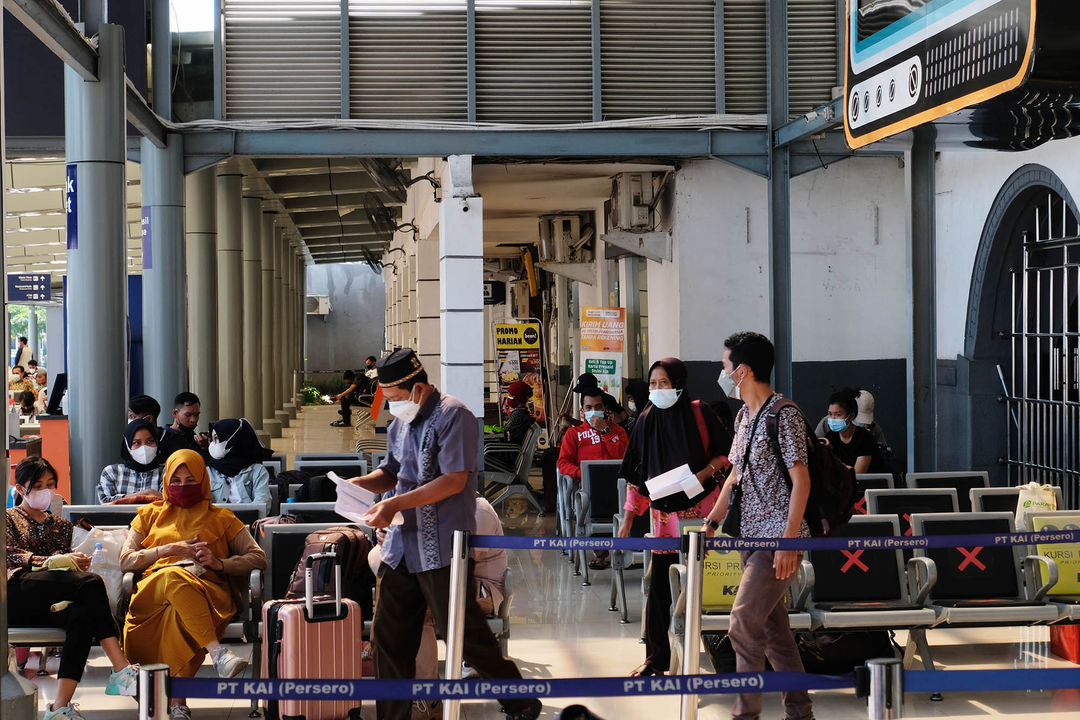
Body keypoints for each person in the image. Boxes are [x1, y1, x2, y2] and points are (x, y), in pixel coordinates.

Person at [344, 348, 541, 720]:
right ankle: (393, 716)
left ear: (418, 389)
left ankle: (520, 700)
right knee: (388, 638)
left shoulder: (456, 416)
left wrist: (395, 504)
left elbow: (454, 480)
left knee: (464, 634)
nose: (393, 407)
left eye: (397, 398)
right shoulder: (402, 421)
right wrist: (358, 485)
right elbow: (390, 471)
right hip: (402, 545)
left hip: (442, 546)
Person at [702, 331, 815, 720]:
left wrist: (788, 543)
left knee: (743, 622)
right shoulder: (744, 415)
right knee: (774, 634)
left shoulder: (785, 414)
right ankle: (800, 713)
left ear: (743, 370)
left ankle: (744, 713)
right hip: (748, 538)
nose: (723, 374)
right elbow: (735, 476)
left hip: (776, 540)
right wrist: (712, 522)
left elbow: (801, 479)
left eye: (725, 367)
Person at [121, 449, 267, 720]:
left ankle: (177, 703)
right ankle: (217, 654)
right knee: (173, 577)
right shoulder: (148, 515)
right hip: (152, 591)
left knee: (179, 611)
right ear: (166, 482)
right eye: (175, 481)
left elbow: (258, 557)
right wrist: (167, 550)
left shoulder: (222, 518)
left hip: (205, 591)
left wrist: (218, 563)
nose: (182, 487)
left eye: (191, 480)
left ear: (203, 480)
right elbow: (126, 561)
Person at [616, 357, 731, 676]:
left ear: (678, 384)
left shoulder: (699, 412)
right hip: (664, 517)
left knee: (707, 582)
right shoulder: (646, 418)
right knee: (661, 588)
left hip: (704, 510)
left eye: (663, 383)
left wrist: (703, 473)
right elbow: (636, 473)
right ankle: (656, 659)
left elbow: (727, 455)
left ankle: (726, 648)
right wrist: (627, 518)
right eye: (652, 384)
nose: (657, 389)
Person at [6, 457, 139, 719]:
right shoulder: (7, 518)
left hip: (50, 600)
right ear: (21, 489)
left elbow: (62, 571)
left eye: (51, 484)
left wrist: (73, 564)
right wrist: (49, 561)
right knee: (91, 583)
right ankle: (121, 667)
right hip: (17, 593)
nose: (46, 490)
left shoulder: (61, 526)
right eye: (39, 485)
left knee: (82, 616)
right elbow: (9, 556)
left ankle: (58, 708)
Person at [558, 387, 629, 570]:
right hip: (588, 488)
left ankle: (622, 549)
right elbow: (564, 463)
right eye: (588, 407)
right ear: (582, 411)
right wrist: (584, 474)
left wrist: (605, 431)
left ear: (605, 409)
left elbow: (624, 457)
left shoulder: (618, 432)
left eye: (597, 406)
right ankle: (601, 551)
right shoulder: (573, 434)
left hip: (617, 487)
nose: (593, 411)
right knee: (590, 502)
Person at [97, 419, 166, 504]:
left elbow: (168, 502)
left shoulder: (166, 472)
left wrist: (125, 499)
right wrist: (146, 494)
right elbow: (106, 503)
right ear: (127, 446)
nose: (144, 448)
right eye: (136, 443)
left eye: (150, 441)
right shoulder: (112, 473)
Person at [205, 418, 272, 505]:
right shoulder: (209, 472)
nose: (213, 444)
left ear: (232, 440)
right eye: (212, 439)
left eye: (217, 438)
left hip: (249, 518)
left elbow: (262, 502)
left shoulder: (257, 471)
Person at [819, 388, 876, 474]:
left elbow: (857, 476)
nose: (833, 418)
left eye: (838, 415)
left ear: (851, 416)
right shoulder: (830, 437)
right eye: (830, 414)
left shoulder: (865, 438)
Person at [503, 380, 536, 445]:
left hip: (510, 450)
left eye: (511, 396)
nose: (508, 398)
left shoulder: (518, 415)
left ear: (518, 398)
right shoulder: (523, 413)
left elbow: (506, 432)